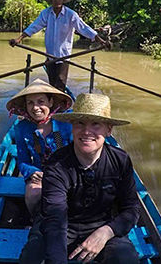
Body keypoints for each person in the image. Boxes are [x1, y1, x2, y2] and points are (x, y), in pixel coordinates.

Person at [19, 93, 140, 264]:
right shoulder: (55, 164)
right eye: (80, 123)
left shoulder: (120, 161)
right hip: (60, 225)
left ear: (109, 130)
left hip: (101, 225)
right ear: (72, 127)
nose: (86, 131)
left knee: (126, 258)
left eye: (96, 124)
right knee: (32, 255)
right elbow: (55, 220)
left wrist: (106, 232)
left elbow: (131, 209)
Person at [9, 0, 109, 91]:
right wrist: (19, 39)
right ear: (51, 0)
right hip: (49, 55)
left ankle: (60, 105)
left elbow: (84, 28)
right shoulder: (46, 14)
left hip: (64, 57)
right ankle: (53, 104)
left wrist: (102, 42)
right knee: (52, 84)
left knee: (60, 82)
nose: (57, 0)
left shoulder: (71, 15)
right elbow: (34, 26)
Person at [7, 78, 74, 215]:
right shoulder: (22, 128)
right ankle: (36, 220)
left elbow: (76, 154)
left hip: (66, 170)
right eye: (30, 103)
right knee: (33, 193)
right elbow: (23, 160)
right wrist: (32, 172)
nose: (35, 108)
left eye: (41, 102)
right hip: (40, 172)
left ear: (50, 102)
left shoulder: (65, 123)